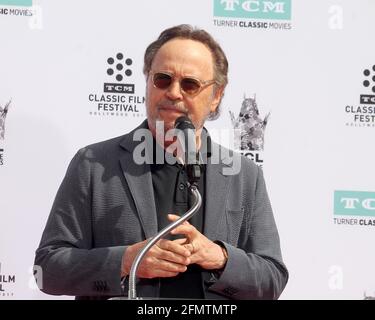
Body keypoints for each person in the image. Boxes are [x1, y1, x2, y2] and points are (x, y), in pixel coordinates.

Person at [34, 24, 288, 300]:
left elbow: (272, 278)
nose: (174, 93)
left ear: (216, 97)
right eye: (163, 79)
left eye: (190, 84)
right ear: (147, 82)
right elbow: (48, 268)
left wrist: (220, 257)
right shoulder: (93, 164)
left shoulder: (244, 175)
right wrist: (128, 261)